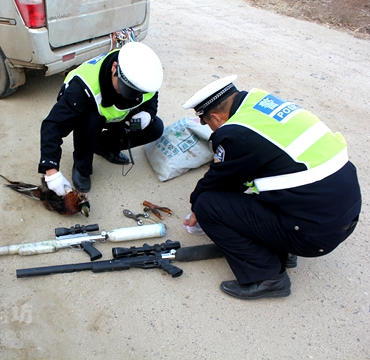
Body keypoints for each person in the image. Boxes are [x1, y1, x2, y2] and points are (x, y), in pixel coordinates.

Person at [183, 75, 361, 300]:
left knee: (209, 205)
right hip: (339, 214)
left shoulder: (235, 134)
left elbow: (218, 180)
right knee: (262, 183)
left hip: (316, 235)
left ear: (216, 118)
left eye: (208, 123)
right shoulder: (260, 101)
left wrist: (195, 207)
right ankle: (282, 251)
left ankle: (268, 277)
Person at [38, 41, 164, 194]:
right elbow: (53, 125)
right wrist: (51, 172)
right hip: (90, 112)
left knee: (155, 128)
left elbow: (152, 97)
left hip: (119, 116)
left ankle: (104, 146)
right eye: (124, 89)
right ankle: (81, 166)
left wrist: (148, 114)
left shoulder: (144, 80)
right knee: (90, 121)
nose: (124, 95)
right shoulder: (83, 86)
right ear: (114, 67)